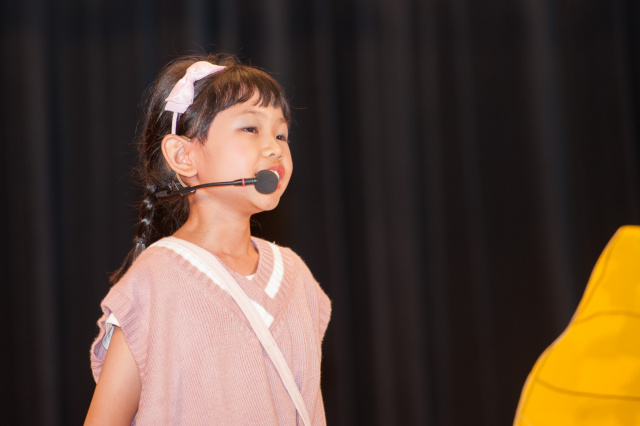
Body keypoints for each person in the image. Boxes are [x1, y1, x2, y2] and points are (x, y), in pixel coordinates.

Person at [84, 53, 332, 425]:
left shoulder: (296, 275)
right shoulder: (157, 279)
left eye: (281, 134)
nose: (275, 148)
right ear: (183, 155)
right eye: (250, 129)